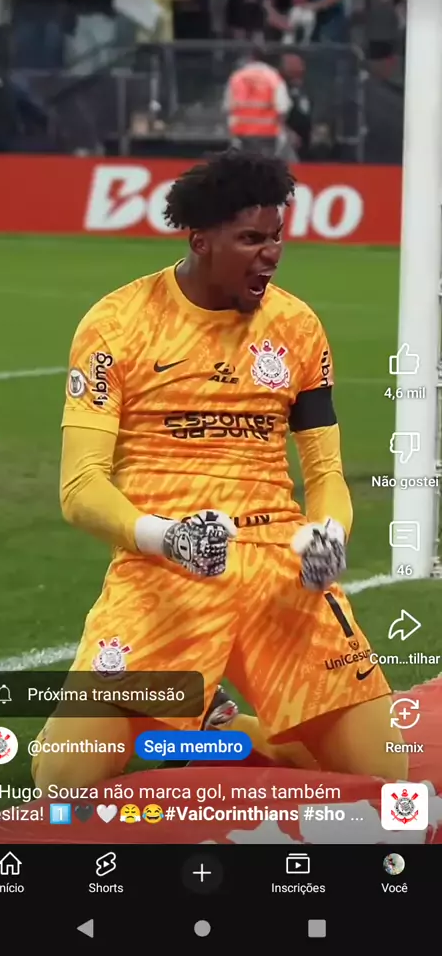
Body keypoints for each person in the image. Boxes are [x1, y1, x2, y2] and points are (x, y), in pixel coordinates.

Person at [32, 149, 407, 795]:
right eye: (252, 239)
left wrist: (330, 534)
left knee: (385, 778)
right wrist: (167, 538)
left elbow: (325, 474)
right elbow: (80, 487)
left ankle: (226, 731)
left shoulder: (296, 326)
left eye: (277, 236)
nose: (272, 254)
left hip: (281, 574)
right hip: (166, 572)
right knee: (64, 781)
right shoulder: (118, 324)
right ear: (200, 240)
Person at [223, 45, 292, 156]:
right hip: (267, 136)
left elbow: (228, 107)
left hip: (242, 135)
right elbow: (282, 109)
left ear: (251, 58)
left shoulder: (238, 77)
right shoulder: (274, 78)